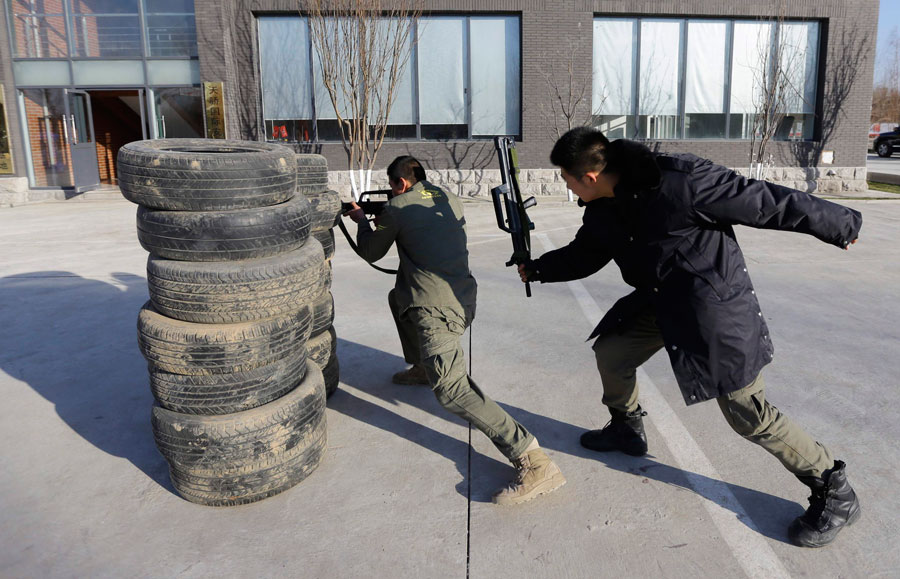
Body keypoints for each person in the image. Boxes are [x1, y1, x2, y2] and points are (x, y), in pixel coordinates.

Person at [518, 127, 862, 547]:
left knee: (745, 411)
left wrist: (839, 222)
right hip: (660, 302)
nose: (566, 187)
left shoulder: (679, 181)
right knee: (613, 352)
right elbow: (586, 253)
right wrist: (538, 268)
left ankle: (834, 488)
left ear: (589, 175)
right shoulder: (605, 207)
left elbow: (763, 200)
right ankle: (626, 428)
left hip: (712, 309)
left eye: (566, 179)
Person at [344, 155, 566, 505]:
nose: (391, 192)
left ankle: (533, 459)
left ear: (400, 184)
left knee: (449, 388)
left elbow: (371, 250)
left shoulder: (397, 208)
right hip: (463, 298)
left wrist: (361, 220)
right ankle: (421, 366)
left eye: (391, 186)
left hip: (437, 310)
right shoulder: (448, 198)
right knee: (398, 297)